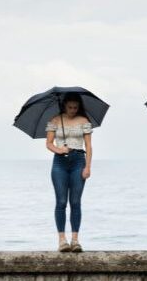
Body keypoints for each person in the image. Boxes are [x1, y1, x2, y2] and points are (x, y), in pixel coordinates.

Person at [45, 92, 93, 252]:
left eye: (75, 107)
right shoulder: (55, 120)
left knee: (75, 202)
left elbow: (88, 146)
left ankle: (75, 240)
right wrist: (59, 149)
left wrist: (87, 167)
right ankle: (62, 240)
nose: (73, 110)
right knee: (61, 202)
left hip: (78, 160)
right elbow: (49, 144)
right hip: (60, 162)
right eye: (70, 107)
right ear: (64, 105)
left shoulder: (84, 121)